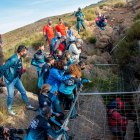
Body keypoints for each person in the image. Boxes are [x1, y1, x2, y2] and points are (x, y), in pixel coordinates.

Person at [0, 45, 36, 116]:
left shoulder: (20, 58)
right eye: (25, 52)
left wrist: (21, 70)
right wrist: (0, 77)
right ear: (21, 52)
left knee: (23, 91)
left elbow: (16, 67)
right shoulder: (13, 59)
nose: (26, 53)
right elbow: (2, 68)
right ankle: (10, 110)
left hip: (16, 78)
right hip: (10, 79)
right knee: (10, 95)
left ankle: (27, 105)